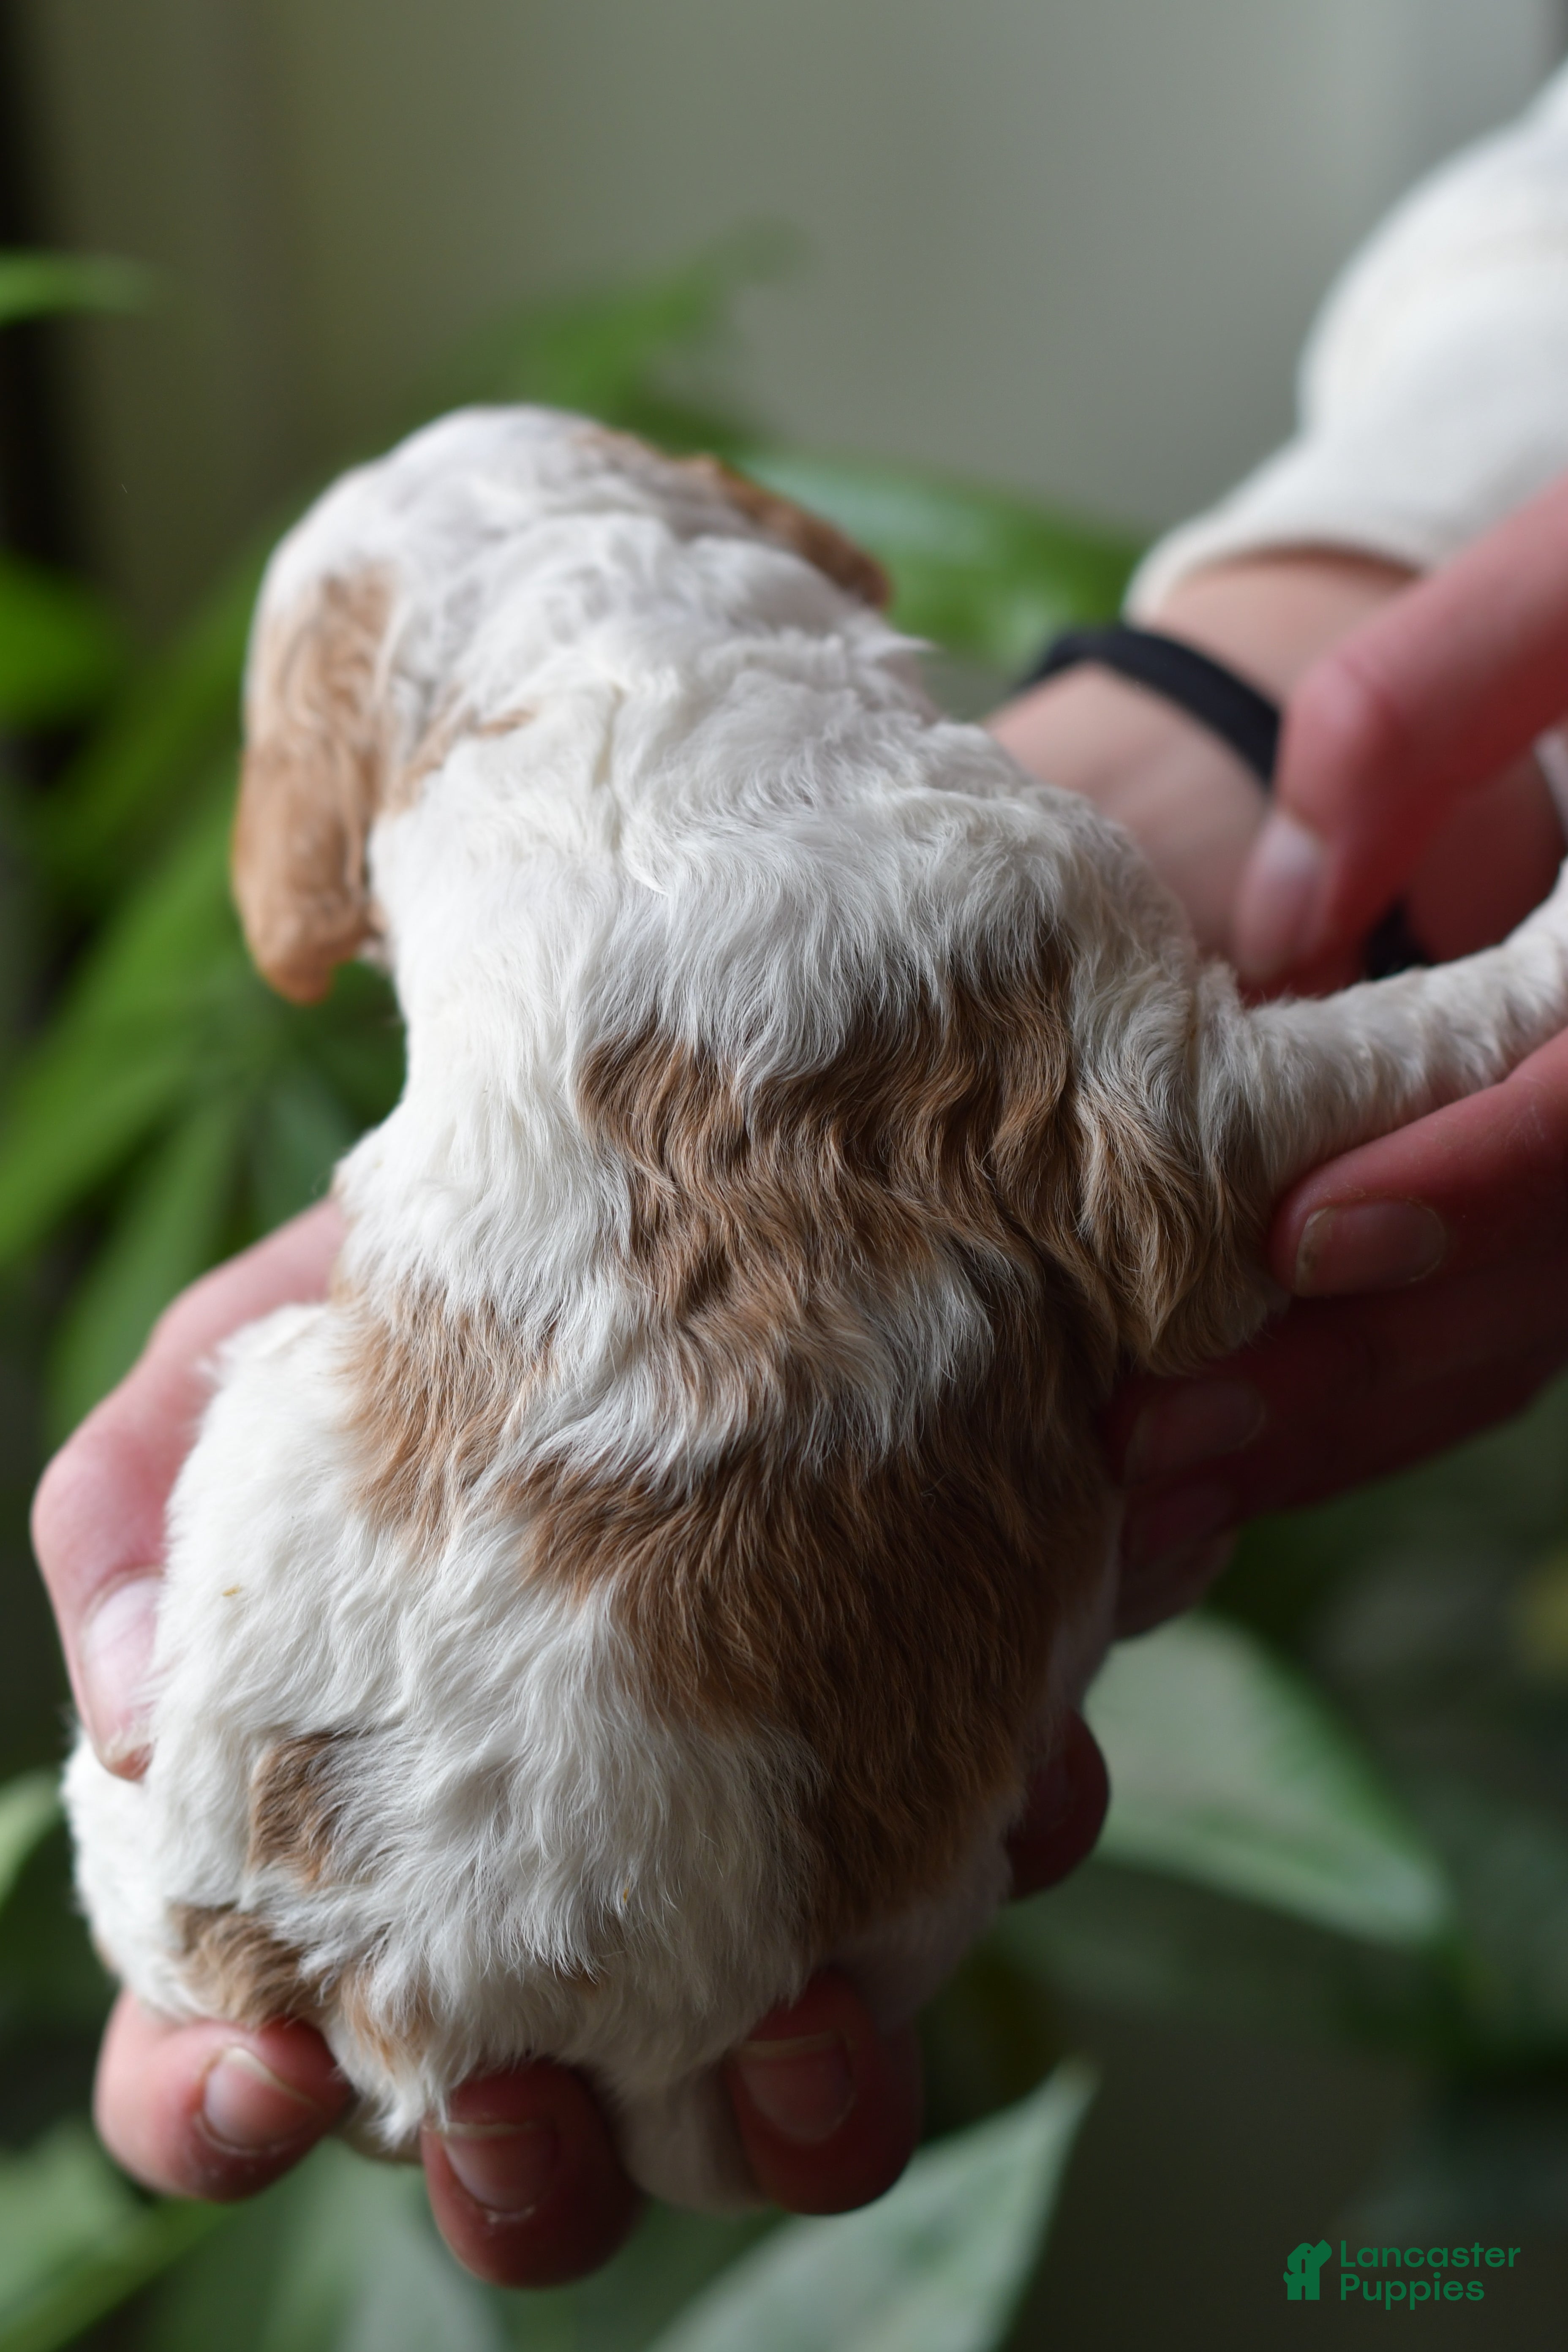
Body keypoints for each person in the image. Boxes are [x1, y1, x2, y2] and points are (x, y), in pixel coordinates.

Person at [32, 59, 1568, 2287]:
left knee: (708, 1954)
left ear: (338, 830)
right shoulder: (986, 896)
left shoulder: (472, 940)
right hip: (738, 1846)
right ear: (756, 536)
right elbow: (1184, 1196)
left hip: (313, 1877)